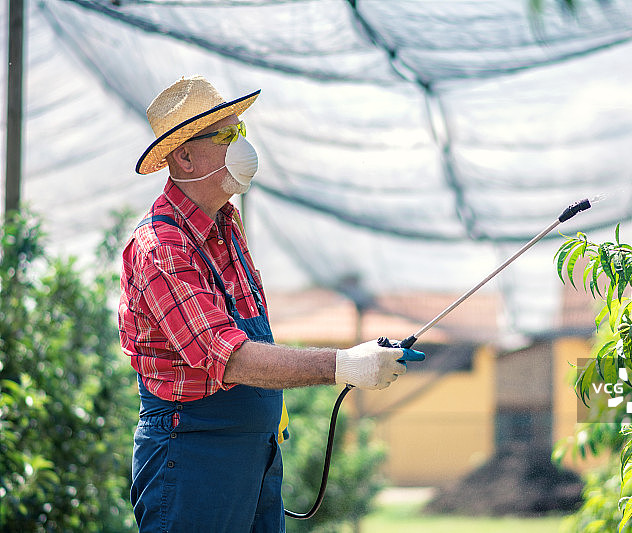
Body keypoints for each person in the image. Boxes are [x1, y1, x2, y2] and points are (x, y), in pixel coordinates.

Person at [118, 75, 425, 533]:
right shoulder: (162, 247)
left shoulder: (226, 226)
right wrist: (344, 365)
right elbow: (231, 358)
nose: (243, 145)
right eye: (227, 135)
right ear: (183, 156)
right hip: (192, 459)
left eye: (241, 130)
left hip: (254, 455)